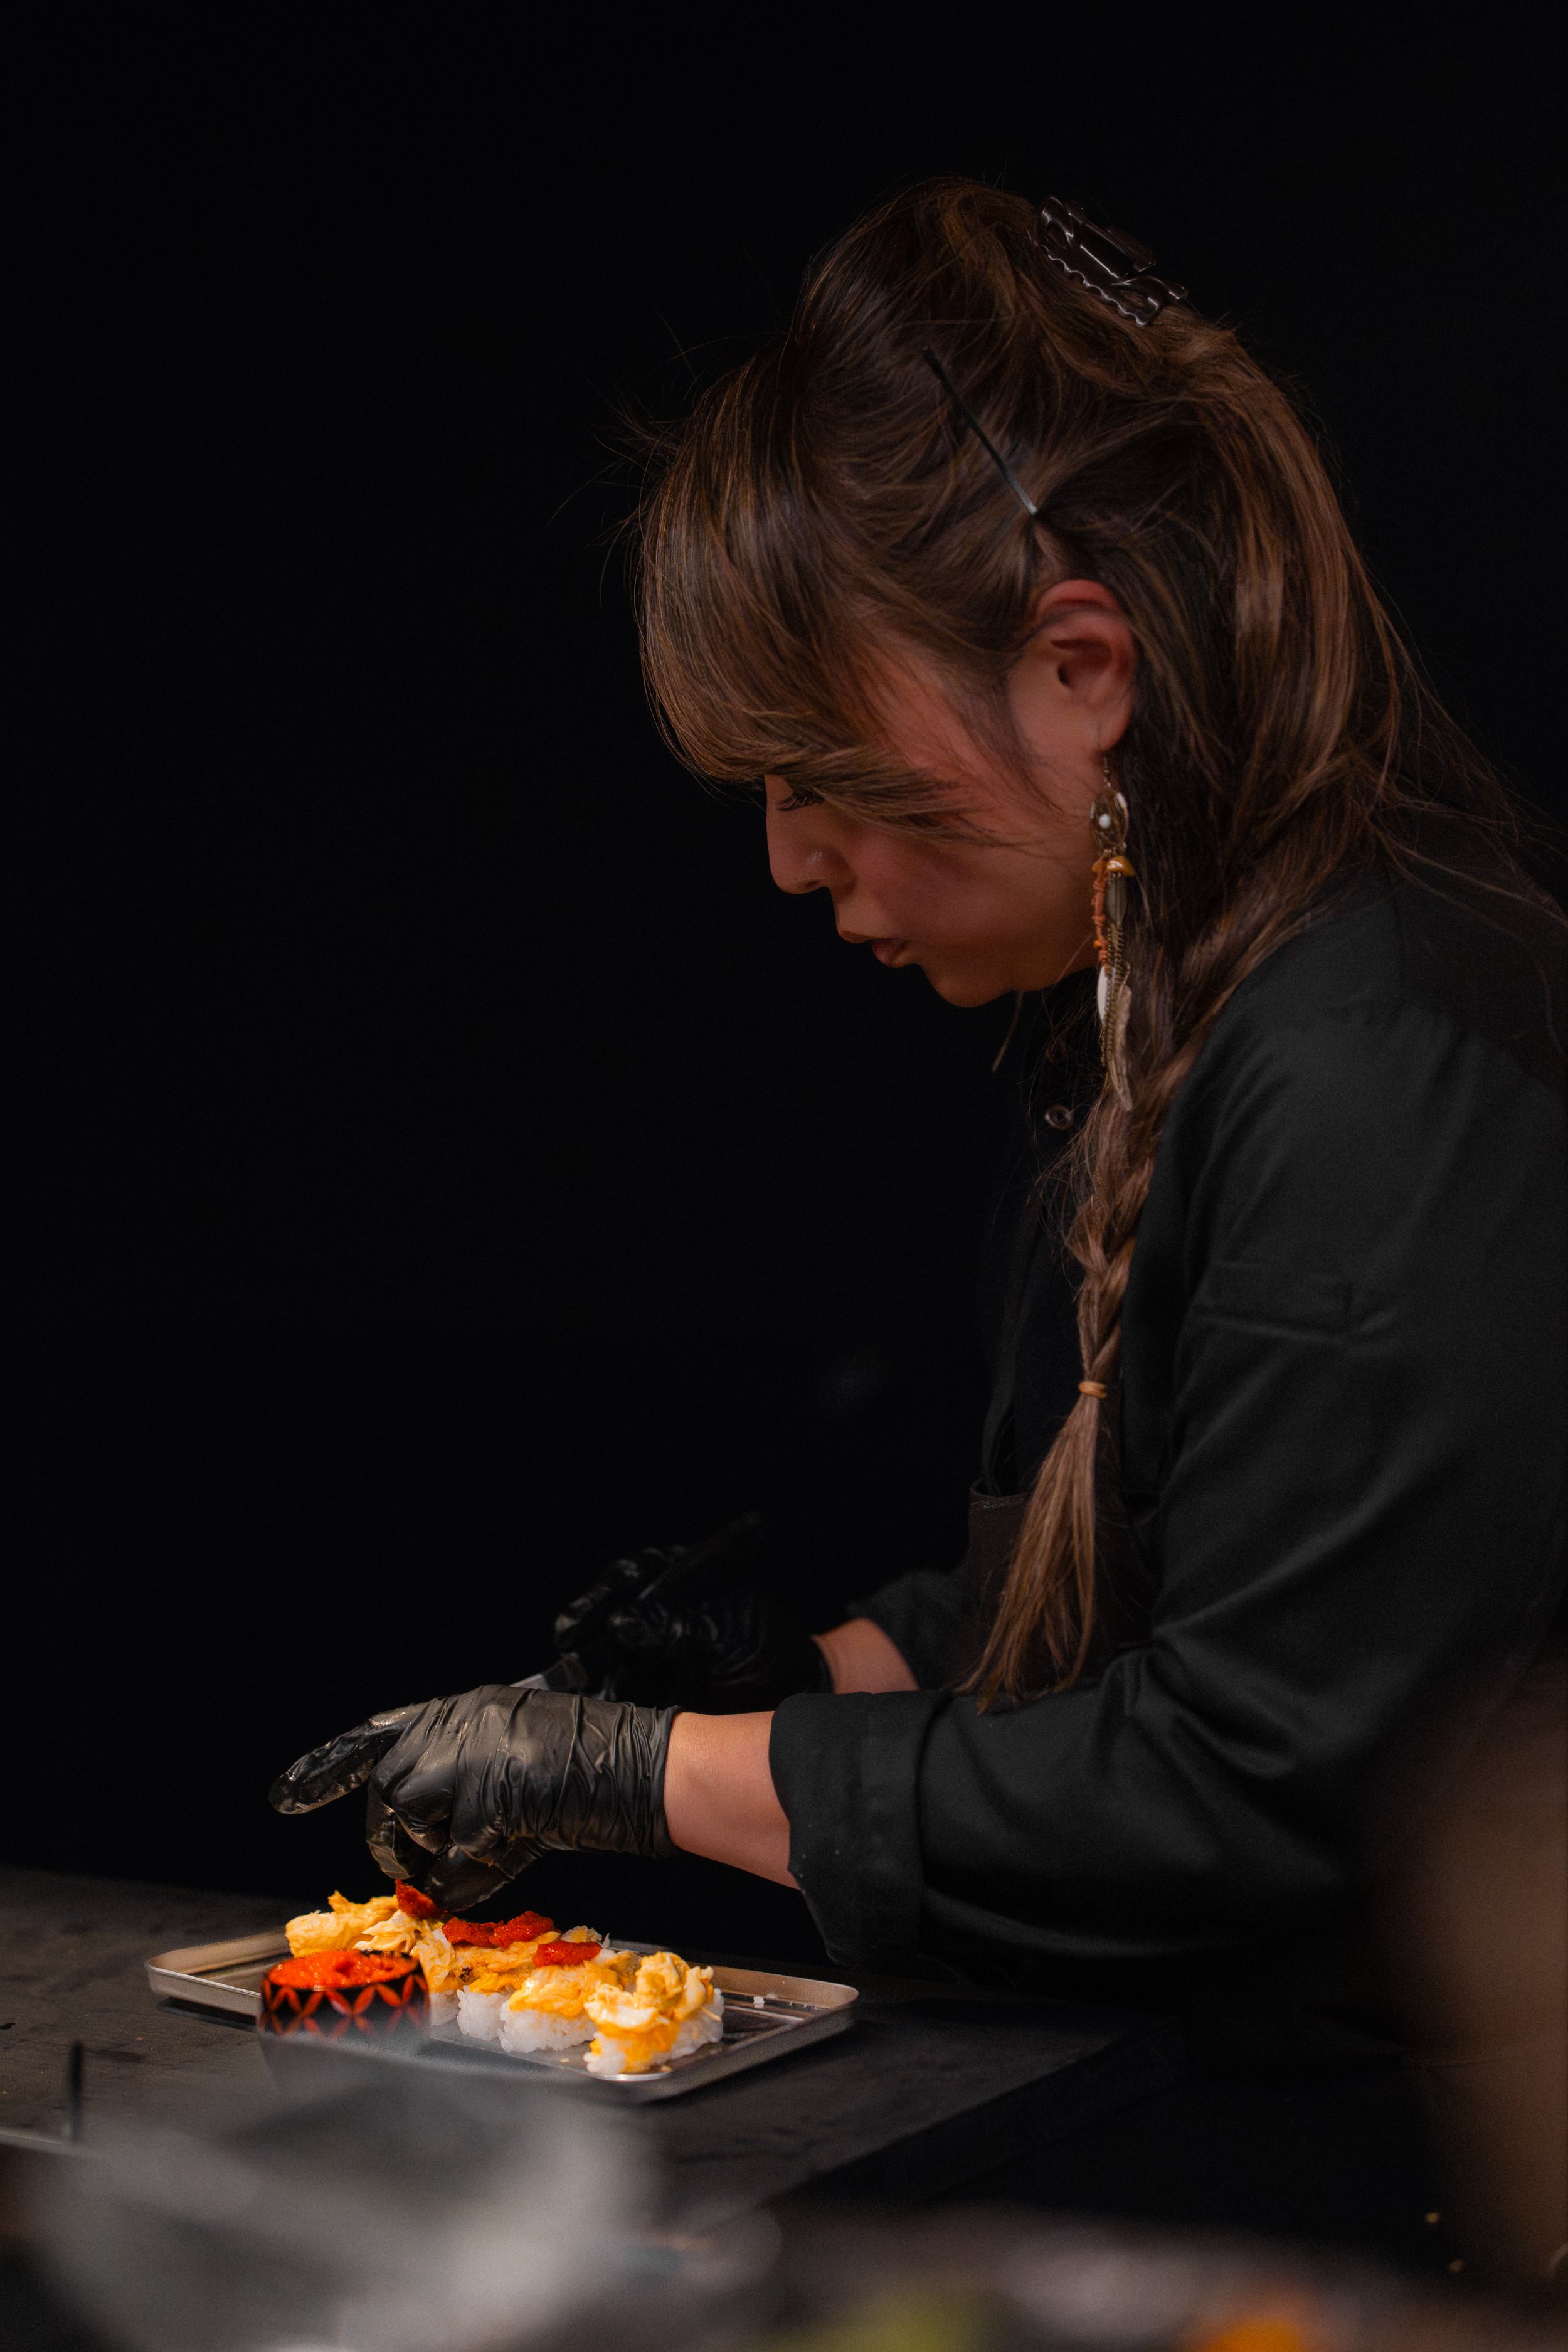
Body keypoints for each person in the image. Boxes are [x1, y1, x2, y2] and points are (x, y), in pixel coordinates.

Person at [272, 181, 1565, 2249]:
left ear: (1077, 671)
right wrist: (827, 1665)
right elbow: (1158, 1571)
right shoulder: (1177, 1017)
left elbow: (1236, 1785)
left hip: (1424, 2221)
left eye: (817, 775)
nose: (792, 866)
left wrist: (641, 1767)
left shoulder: (1380, 1056)